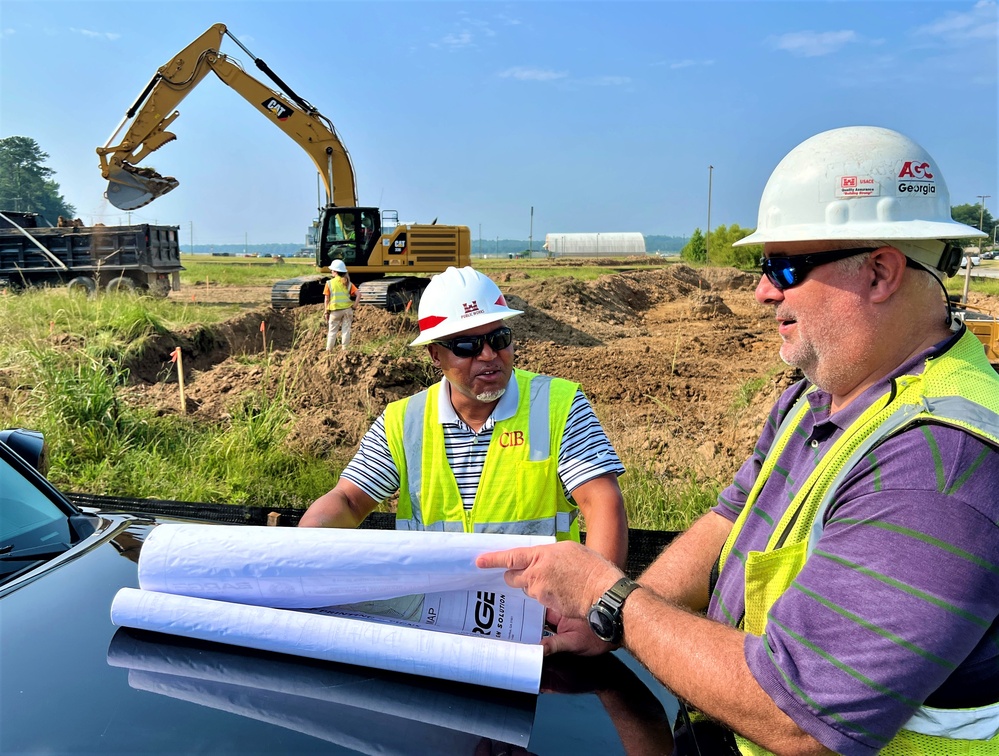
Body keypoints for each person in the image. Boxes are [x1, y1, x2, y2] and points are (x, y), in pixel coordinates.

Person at [476, 126, 999, 755]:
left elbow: (802, 717)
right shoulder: (824, 393)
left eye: (784, 266)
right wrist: (607, 619)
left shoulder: (937, 463)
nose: (762, 290)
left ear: (881, 272)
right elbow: (730, 519)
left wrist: (608, 598)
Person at [301, 265, 629, 643]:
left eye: (499, 337)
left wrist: (597, 612)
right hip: (433, 630)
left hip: (538, 627)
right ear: (435, 355)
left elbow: (602, 502)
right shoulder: (404, 421)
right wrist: (297, 560)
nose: (489, 355)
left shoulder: (558, 406)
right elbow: (347, 499)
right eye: (467, 345)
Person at [323, 259, 356, 351]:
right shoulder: (348, 283)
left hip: (335, 311)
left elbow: (326, 299)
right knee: (346, 331)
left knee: (332, 332)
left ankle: (329, 351)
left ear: (335, 271)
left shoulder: (329, 283)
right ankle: (345, 351)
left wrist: (326, 312)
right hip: (347, 310)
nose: (331, 271)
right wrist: (354, 306)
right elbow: (359, 294)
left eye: (332, 270)